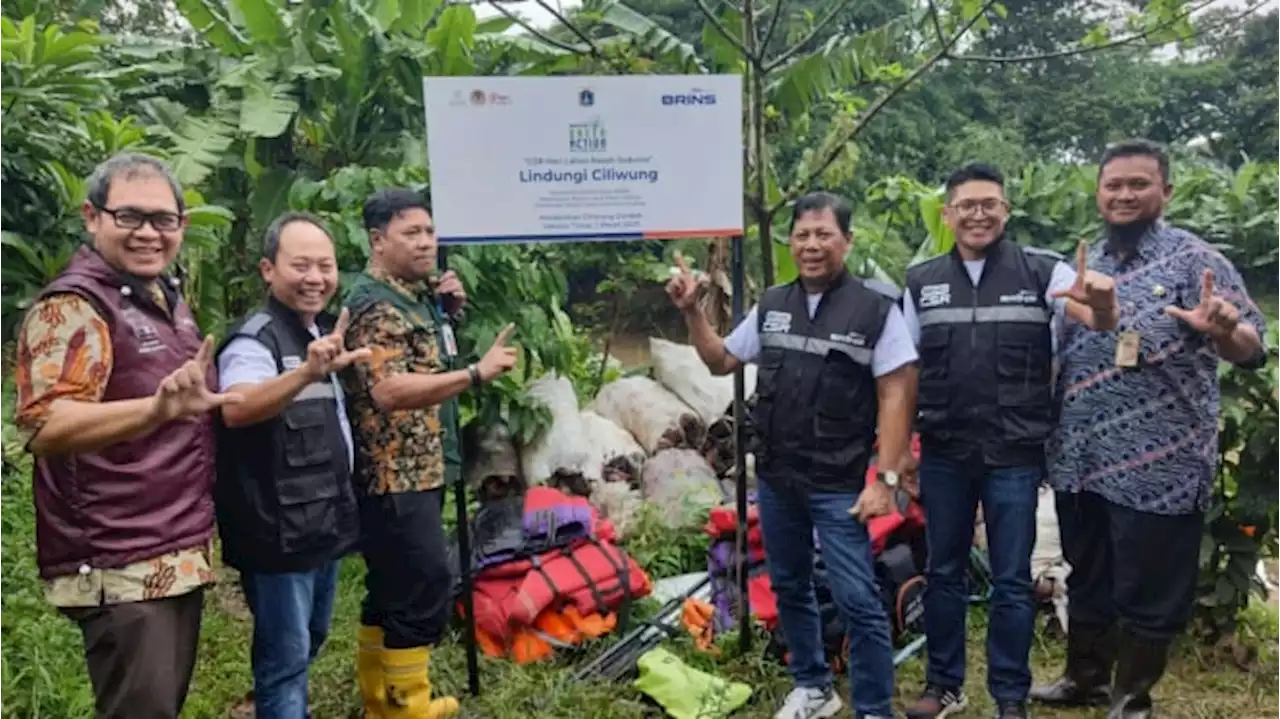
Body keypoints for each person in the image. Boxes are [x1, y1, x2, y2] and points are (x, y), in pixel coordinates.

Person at [1032, 139, 1267, 718]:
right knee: (1086, 575)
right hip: (1081, 460)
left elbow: (1252, 349)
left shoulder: (1195, 260)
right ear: (1098, 192)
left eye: (1139, 184)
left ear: (1166, 190)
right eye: (1113, 185)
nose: (1124, 195)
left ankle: (1130, 702)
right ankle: (1084, 681)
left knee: (1149, 590)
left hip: (1159, 464)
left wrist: (1222, 329)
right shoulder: (1084, 264)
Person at [668, 191, 917, 719]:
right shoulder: (774, 305)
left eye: (823, 235)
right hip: (778, 478)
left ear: (846, 242)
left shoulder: (875, 311)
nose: (811, 245)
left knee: (857, 600)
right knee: (789, 584)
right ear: (790, 243)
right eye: (802, 235)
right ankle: (814, 686)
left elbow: (897, 392)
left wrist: (886, 478)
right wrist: (693, 312)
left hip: (840, 485)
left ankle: (873, 708)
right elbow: (719, 360)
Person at [12, 152, 242, 719]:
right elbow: (47, 425)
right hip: (119, 562)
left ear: (182, 227)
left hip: (171, 551)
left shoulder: (161, 295)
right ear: (92, 217)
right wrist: (157, 408)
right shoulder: (75, 305)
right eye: (129, 217)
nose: (148, 233)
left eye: (163, 219)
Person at [899, 163, 1120, 719]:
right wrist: (900, 451)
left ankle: (1009, 695)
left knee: (1011, 580)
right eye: (966, 204)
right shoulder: (921, 281)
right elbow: (902, 374)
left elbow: (1095, 320)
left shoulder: (1042, 271)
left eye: (989, 204)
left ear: (1005, 211)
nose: (978, 213)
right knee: (944, 571)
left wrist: (1099, 301)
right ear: (947, 214)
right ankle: (945, 685)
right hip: (946, 451)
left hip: (1014, 455)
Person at [340, 188, 518, 719]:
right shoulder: (375, 304)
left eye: (429, 232)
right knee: (424, 586)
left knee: (392, 587)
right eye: (410, 233)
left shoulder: (412, 296)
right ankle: (407, 708)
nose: (425, 243)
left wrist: (448, 315)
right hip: (395, 472)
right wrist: (473, 373)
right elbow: (388, 390)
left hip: (419, 467)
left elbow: (419, 358)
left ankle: (382, 703)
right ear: (377, 241)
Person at [214, 212, 371, 719]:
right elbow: (236, 408)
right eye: (300, 264)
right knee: (286, 660)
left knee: (310, 638)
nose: (315, 277)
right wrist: (306, 371)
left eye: (324, 266)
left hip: (321, 523)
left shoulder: (319, 333)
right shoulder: (253, 340)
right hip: (278, 531)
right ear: (268, 269)